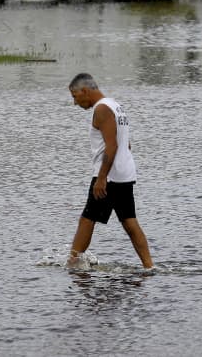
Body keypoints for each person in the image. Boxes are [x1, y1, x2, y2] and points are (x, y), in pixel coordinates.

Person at [67, 72, 154, 269]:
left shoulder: (102, 110)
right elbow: (126, 144)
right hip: (124, 173)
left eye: (74, 96)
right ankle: (149, 266)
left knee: (87, 220)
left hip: (110, 176)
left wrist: (102, 178)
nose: (74, 102)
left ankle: (72, 264)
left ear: (85, 91)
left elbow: (112, 146)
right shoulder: (116, 106)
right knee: (129, 222)